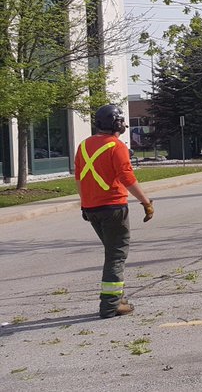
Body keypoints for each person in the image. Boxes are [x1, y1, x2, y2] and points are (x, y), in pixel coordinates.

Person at [74, 104, 154, 318]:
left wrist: (84, 204)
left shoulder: (83, 146)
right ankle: (110, 305)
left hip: (92, 209)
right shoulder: (116, 146)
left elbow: (79, 179)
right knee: (116, 255)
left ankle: (117, 297)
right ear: (118, 123)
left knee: (112, 253)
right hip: (113, 208)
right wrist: (146, 202)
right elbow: (127, 178)